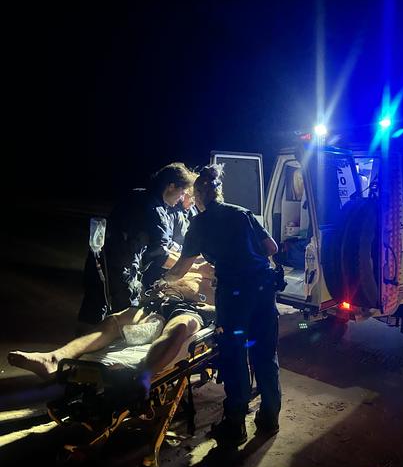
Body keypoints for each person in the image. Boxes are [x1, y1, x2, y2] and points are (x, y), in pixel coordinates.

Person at [162, 164, 281, 446]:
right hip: (264, 291)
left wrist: (162, 281)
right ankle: (269, 418)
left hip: (235, 297)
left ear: (197, 197)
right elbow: (272, 248)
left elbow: (180, 269)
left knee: (235, 356)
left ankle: (234, 425)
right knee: (265, 354)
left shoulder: (200, 224)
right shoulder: (241, 213)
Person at [8, 261, 216, 382]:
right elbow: (164, 261)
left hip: (190, 310)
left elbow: (239, 306)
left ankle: (143, 377)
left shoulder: (228, 277)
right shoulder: (190, 265)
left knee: (179, 328)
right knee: (114, 321)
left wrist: (213, 308)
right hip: (158, 305)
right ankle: (54, 359)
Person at [78, 162, 196, 325]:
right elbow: (160, 253)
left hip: (98, 260)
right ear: (171, 186)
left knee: (91, 311)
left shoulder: (138, 195)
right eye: (182, 192)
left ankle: (78, 345)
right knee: (123, 318)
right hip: (119, 270)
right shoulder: (155, 210)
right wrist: (190, 266)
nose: (182, 198)